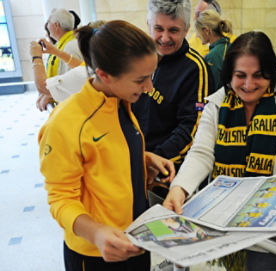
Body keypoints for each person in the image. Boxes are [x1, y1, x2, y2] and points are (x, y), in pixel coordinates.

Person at [164, 31, 276, 271]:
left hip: (271, 231)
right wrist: (179, 188)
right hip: (227, 223)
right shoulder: (217, 105)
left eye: (258, 76)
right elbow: (202, 153)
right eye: (240, 76)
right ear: (229, 75)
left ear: (271, 73)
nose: (248, 85)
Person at [38, 20, 176, 270]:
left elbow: (103, 154)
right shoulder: (65, 123)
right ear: (103, 75)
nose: (149, 88)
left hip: (134, 239)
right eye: (140, 80)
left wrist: (141, 158)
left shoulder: (119, 102)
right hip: (95, 254)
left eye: (150, 77)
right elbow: (60, 199)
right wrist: (96, 233)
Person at [132, 0, 215, 172]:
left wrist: (153, 160)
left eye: (173, 30)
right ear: (148, 25)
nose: (164, 38)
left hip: (166, 170)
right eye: (159, 29)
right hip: (133, 161)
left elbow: (192, 130)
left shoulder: (195, 69)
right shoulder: (135, 59)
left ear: (186, 29)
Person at [30, 20, 106, 111]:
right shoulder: (108, 64)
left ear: (56, 25)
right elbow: (81, 65)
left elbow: (43, 87)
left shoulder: (87, 73)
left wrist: (36, 56)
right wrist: (56, 52)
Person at [195, 9, 232, 89]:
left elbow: (213, 90)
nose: (197, 36)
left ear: (206, 31)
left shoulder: (213, 56)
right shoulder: (227, 46)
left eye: (198, 32)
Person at [44, 8, 83, 77]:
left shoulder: (70, 46)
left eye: (48, 22)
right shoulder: (60, 45)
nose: (47, 26)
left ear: (56, 25)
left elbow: (71, 79)